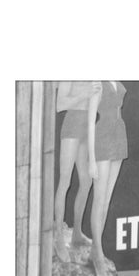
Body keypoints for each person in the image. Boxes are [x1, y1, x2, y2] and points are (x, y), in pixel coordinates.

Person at [54, 81, 101, 262]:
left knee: (86, 181)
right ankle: (59, 237)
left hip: (88, 126)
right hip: (72, 124)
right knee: (65, 180)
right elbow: (60, 105)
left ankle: (77, 233)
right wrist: (85, 94)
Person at [87, 81, 128, 276]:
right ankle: (98, 256)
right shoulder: (97, 82)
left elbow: (118, 109)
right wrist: (92, 160)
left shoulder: (118, 82)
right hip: (102, 137)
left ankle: (96, 250)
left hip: (119, 135)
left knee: (106, 201)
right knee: (99, 200)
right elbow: (90, 121)